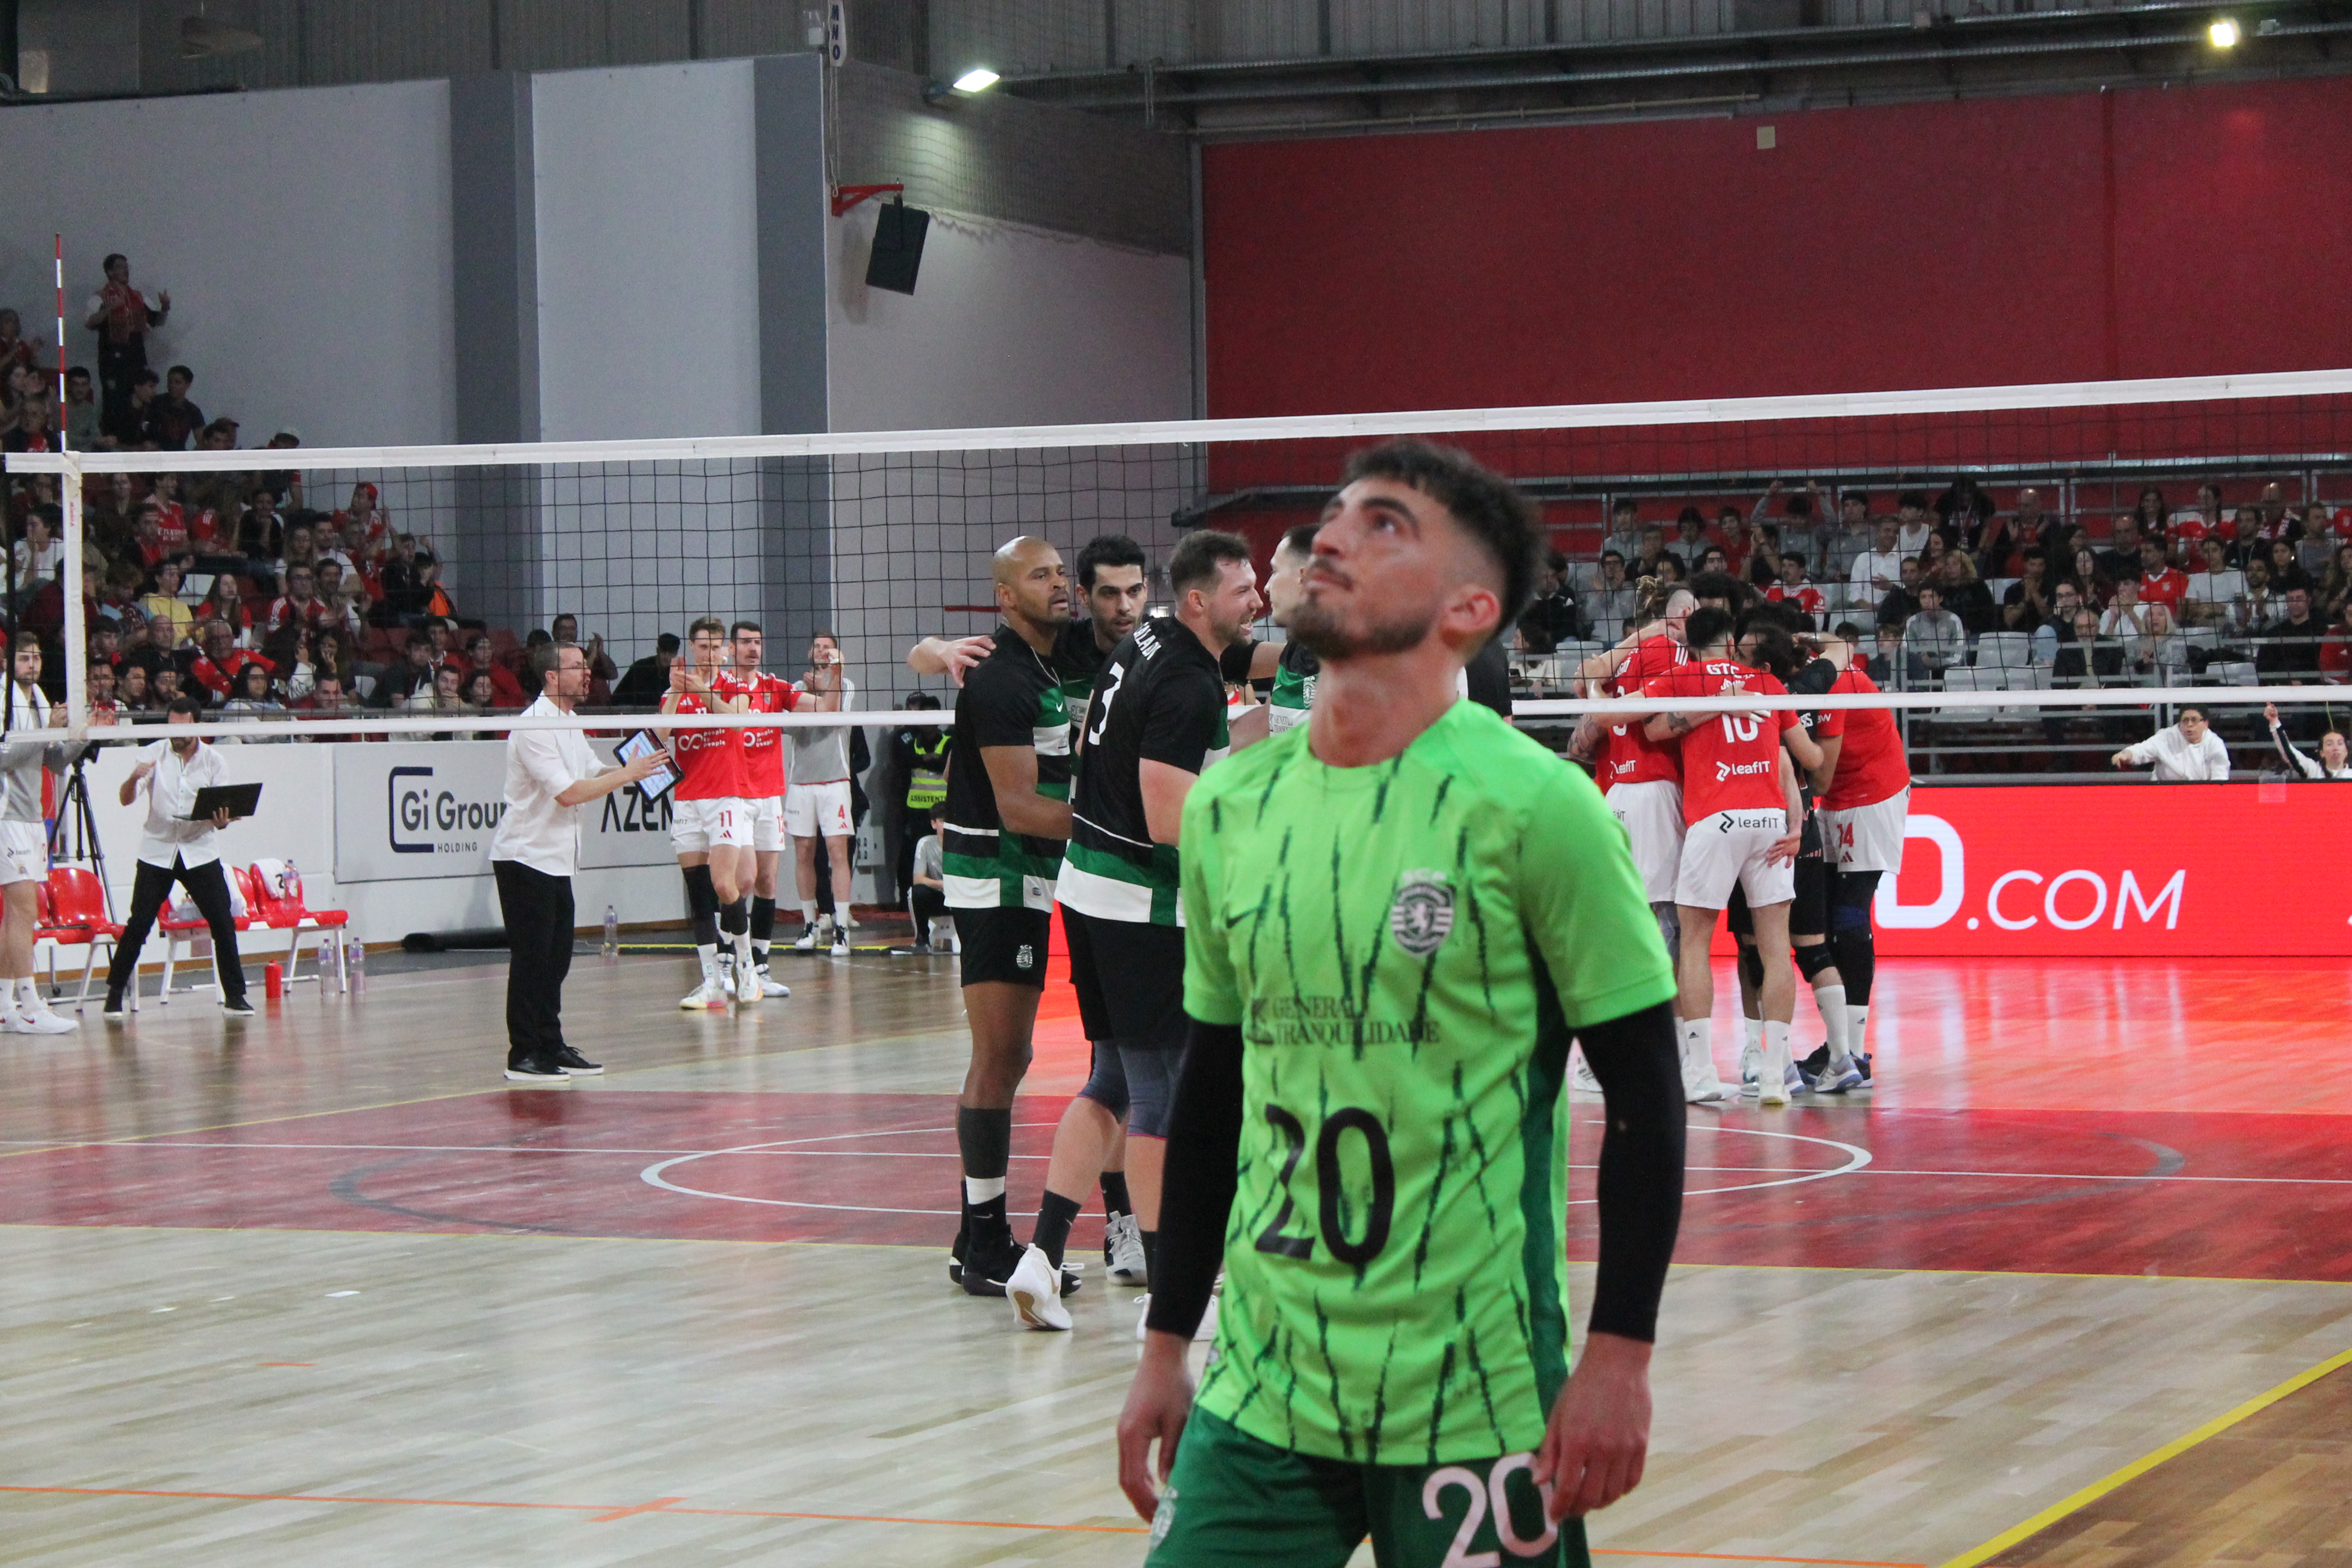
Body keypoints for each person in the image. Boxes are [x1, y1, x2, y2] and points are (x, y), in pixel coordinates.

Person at [1115, 439, 1684, 1566]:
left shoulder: (1539, 807)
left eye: (1385, 525)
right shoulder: (1229, 806)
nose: (1330, 536)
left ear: (1469, 608)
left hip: (1475, 1389)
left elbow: (1645, 1097)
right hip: (1262, 1383)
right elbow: (1214, 1092)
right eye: (1336, 515)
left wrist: (1620, 1351)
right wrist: (1165, 1340)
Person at [1009, 530, 1262, 1335]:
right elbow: (1168, 815)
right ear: (1200, 601)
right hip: (1141, 909)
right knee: (1162, 1098)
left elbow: (1172, 750)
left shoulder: (1150, 640)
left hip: (1089, 892)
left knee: (1111, 1082)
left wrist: (1274, 733)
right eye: (1243, 589)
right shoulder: (1186, 679)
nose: (1256, 599)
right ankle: (1171, 1289)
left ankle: (1041, 1256)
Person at [939, 537, 1086, 1298]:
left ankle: (974, 1237)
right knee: (1001, 1057)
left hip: (1022, 873)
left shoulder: (1048, 661)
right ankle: (988, 1239)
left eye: (1062, 572)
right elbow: (1020, 805)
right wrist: (1122, 823)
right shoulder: (1001, 678)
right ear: (1005, 596)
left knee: (1010, 1056)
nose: (1060, 584)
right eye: (1040, 575)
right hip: (995, 874)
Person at [1630, 608, 1818, 1105]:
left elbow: (1649, 730)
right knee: (1776, 950)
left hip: (1717, 820)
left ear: (1688, 644)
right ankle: (1774, 1075)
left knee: (1694, 944)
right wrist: (1796, 824)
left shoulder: (1685, 677)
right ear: (1733, 643)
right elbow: (1799, 760)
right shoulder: (1769, 684)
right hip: (1770, 820)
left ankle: (1700, 1072)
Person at [489, 641, 669, 1082]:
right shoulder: (533, 727)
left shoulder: (570, 723)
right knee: (532, 960)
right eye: (575, 667)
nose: (586, 673)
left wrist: (639, 767)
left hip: (557, 860)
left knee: (556, 960)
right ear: (552, 676)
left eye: (585, 666)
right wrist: (627, 774)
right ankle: (523, 1054)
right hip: (524, 857)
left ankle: (550, 1043)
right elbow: (569, 793)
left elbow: (593, 773)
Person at [105, 695, 254, 1020]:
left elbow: (222, 814)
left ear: (196, 726)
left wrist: (223, 820)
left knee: (222, 920)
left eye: (182, 728)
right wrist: (133, 778)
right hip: (158, 849)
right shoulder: (153, 754)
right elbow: (126, 799)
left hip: (199, 848)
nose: (175, 734)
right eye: (171, 727)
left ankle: (236, 996)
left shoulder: (214, 761)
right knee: (139, 923)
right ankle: (114, 993)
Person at [1816, 652, 1911, 1079]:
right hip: (1836, 797)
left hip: (1873, 795)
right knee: (1824, 925)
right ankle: (1837, 1046)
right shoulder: (1813, 670)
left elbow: (1819, 776)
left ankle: (1854, 1051)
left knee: (1849, 919)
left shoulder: (1834, 681)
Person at [664, 617, 758, 1009]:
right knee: (698, 893)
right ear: (692, 649)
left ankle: (747, 967)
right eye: (702, 647)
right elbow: (660, 737)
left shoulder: (737, 686)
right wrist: (675, 692)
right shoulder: (676, 691)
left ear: (725, 650)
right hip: (688, 797)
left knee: (724, 884)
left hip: (725, 796)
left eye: (715, 647)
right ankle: (712, 982)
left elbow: (735, 723)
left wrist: (702, 691)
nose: (709, 654)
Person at [0, 636, 92, 1033]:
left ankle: (4, 1006)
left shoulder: (37, 698)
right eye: (24, 658)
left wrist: (82, 735)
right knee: (25, 913)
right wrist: (45, 730)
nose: (33, 664)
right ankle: (31, 1006)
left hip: (32, 817)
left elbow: (52, 761)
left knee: (14, 917)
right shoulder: (4, 699)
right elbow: (2, 758)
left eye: (37, 657)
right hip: (6, 816)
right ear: (9, 663)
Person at [716, 620, 796, 994]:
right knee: (741, 881)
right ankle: (726, 961)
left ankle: (761, 968)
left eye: (758, 642)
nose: (753, 648)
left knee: (767, 882)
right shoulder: (722, 689)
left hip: (769, 796)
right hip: (736, 795)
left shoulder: (774, 687)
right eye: (746, 642)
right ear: (731, 648)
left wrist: (834, 674)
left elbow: (823, 707)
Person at [785, 632, 857, 956]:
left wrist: (824, 690)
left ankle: (841, 929)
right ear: (810, 652)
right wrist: (813, 696)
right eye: (818, 647)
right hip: (801, 781)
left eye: (828, 648)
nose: (823, 652)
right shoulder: (794, 689)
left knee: (837, 852)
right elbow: (792, 727)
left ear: (836, 654)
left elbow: (833, 716)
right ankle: (810, 924)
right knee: (803, 854)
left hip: (835, 780)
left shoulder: (846, 685)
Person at [85, 253, 170, 433]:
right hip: (112, 358)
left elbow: (158, 321)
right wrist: (111, 307)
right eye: (120, 267)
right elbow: (90, 322)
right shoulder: (100, 297)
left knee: (140, 397)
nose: (125, 271)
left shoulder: (138, 297)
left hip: (136, 355)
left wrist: (165, 308)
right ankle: (113, 437)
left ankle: (137, 436)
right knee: (114, 399)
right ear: (110, 272)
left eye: (126, 267)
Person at [889, 690, 949, 905]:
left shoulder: (949, 740)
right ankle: (906, 899)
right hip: (915, 810)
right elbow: (905, 760)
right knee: (910, 853)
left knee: (946, 853)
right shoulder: (908, 739)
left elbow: (943, 764)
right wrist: (929, 758)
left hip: (942, 811)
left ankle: (946, 895)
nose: (928, 722)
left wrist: (923, 759)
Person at [2111, 705, 2230, 781]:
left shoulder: (2215, 744)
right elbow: (2143, 750)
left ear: (2206, 724)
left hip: (2201, 795)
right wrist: (2126, 754)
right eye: (2185, 720)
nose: (2189, 725)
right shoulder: (2166, 737)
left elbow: (2220, 779)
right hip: (2164, 792)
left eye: (2194, 720)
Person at [905, 808, 949, 952]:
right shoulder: (925, 843)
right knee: (916, 892)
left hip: (961, 897)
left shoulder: (964, 844)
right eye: (943, 821)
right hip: (940, 896)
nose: (947, 825)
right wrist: (943, 884)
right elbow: (918, 879)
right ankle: (922, 939)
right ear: (934, 824)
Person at [2266, 703, 2350, 779]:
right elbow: (2289, 752)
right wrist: (2274, 722)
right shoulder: (2313, 770)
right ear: (2322, 753)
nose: (2335, 748)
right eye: (2329, 744)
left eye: (2340, 743)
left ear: (2346, 752)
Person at [612, 632, 679, 706]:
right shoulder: (640, 668)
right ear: (658, 651)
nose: (666, 656)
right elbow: (618, 696)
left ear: (675, 654)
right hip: (632, 710)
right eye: (664, 651)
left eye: (671, 653)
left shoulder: (675, 673)